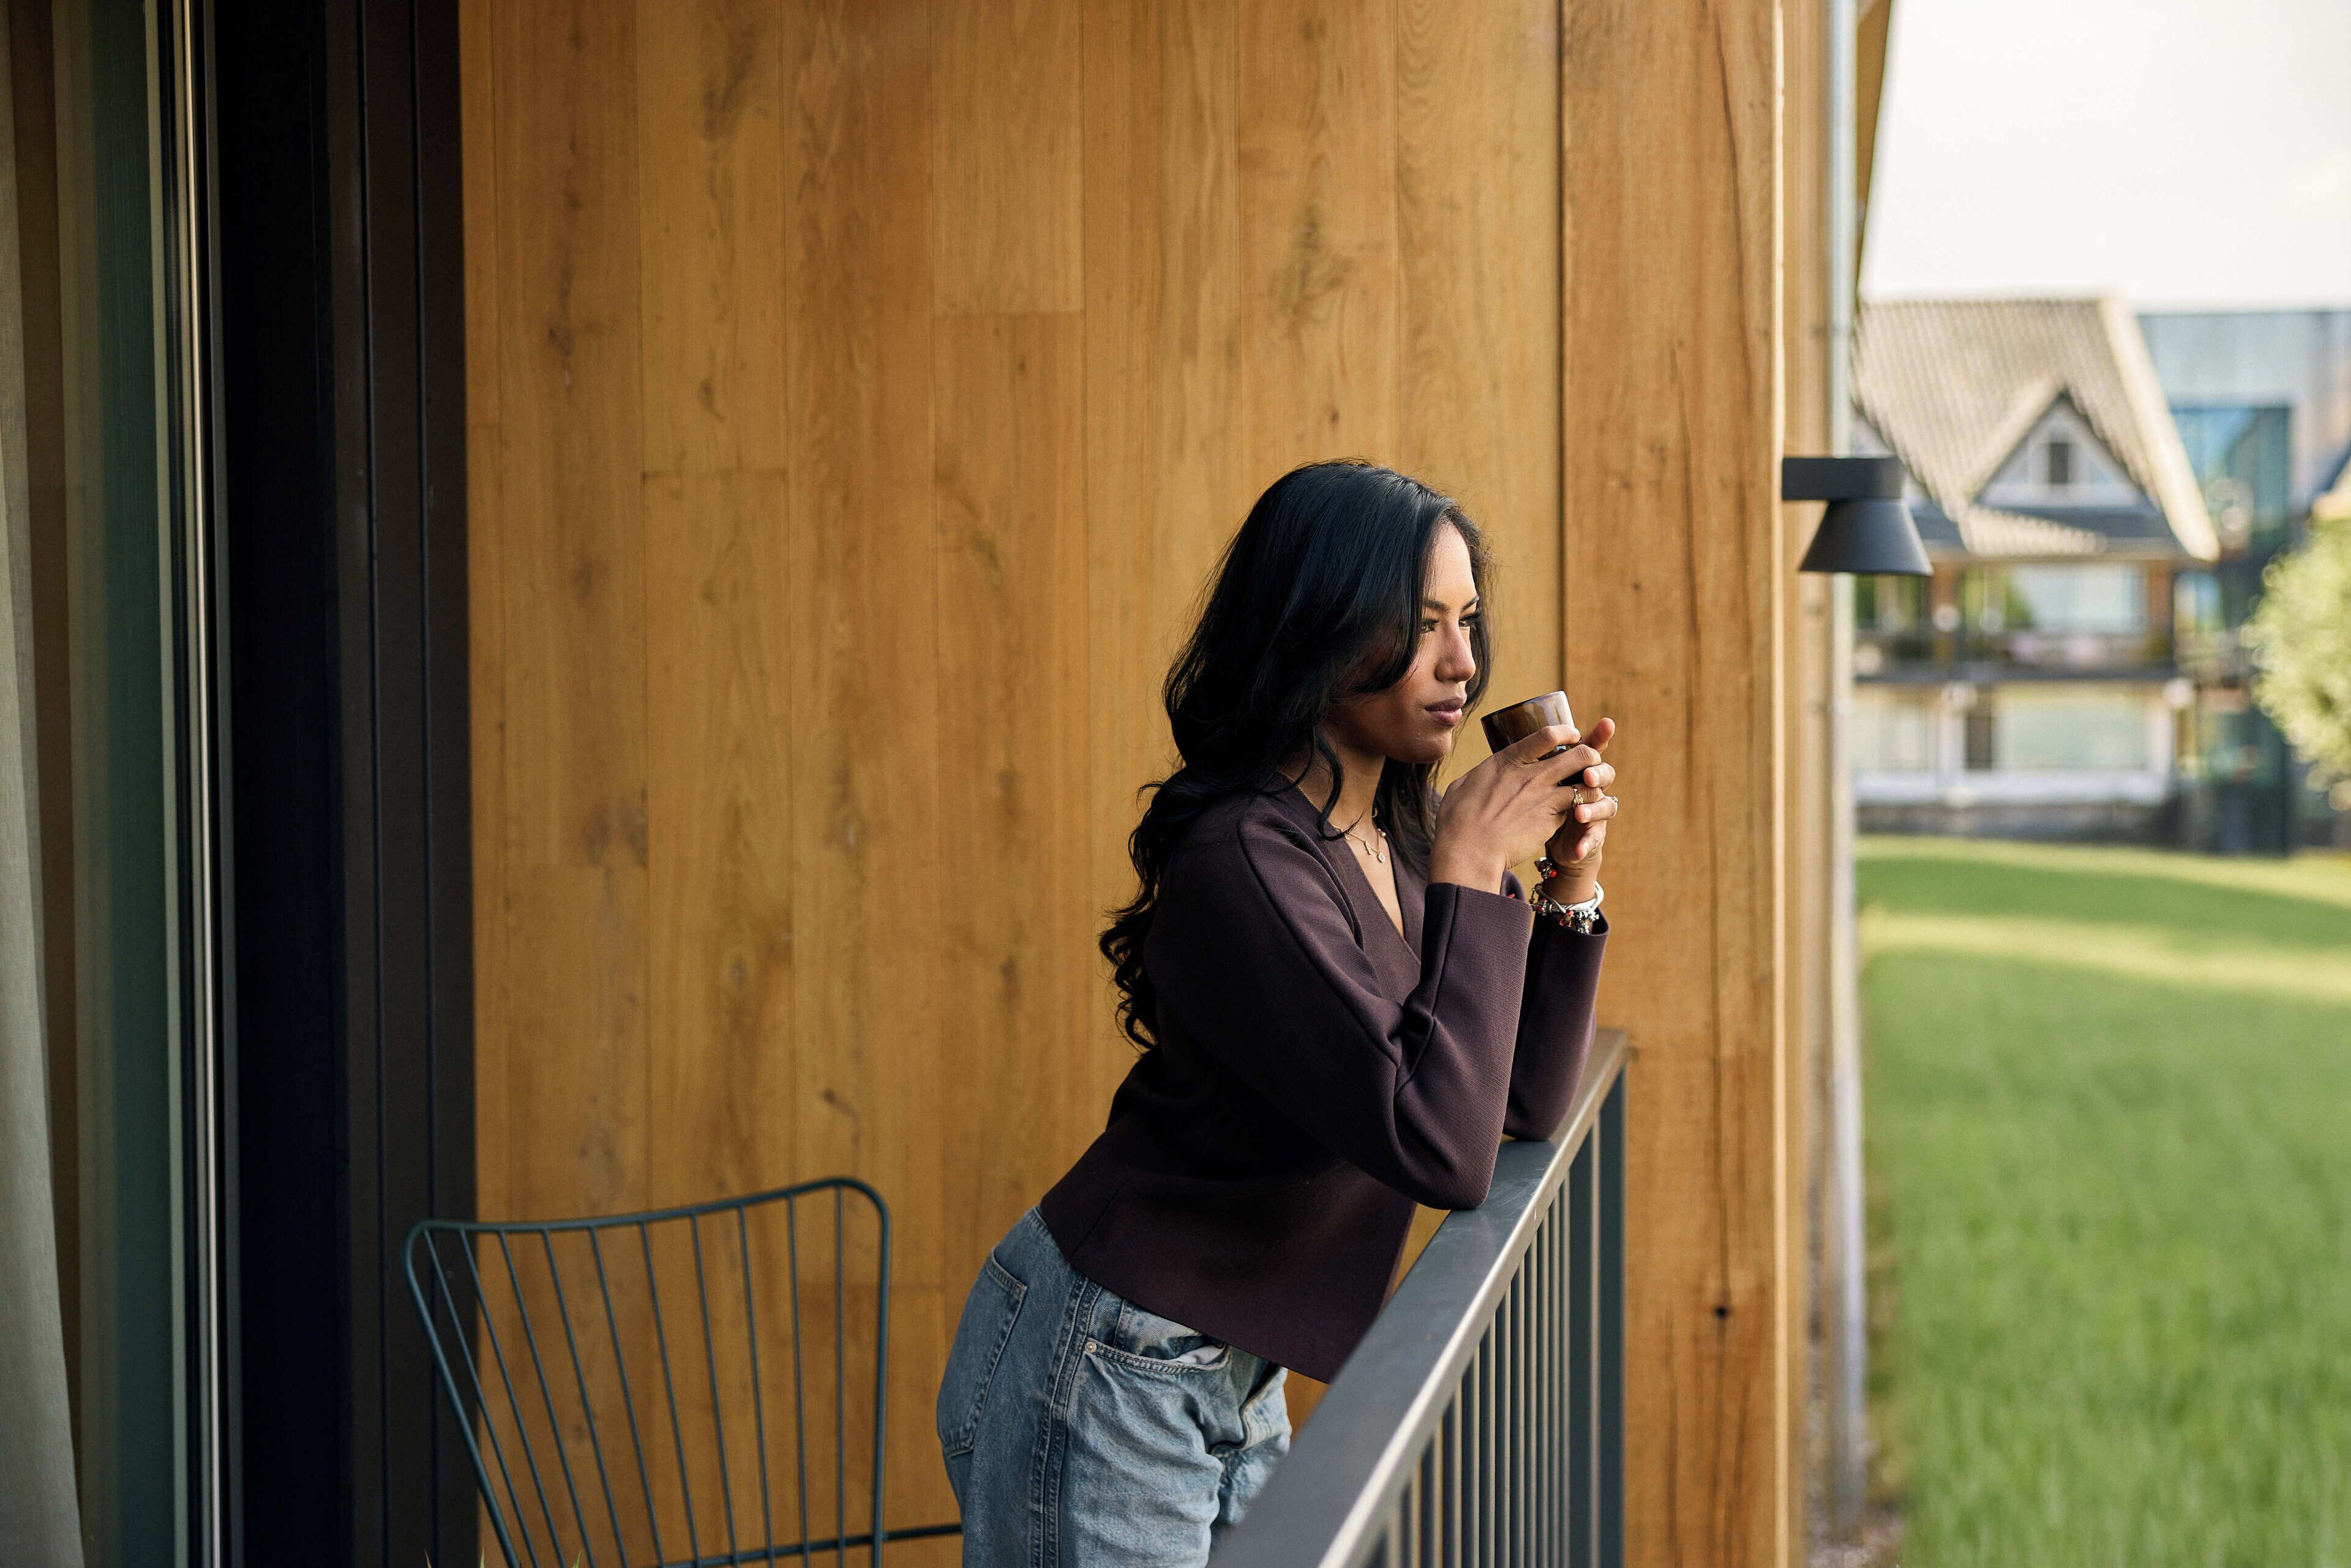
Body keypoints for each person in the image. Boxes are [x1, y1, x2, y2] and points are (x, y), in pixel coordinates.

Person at [934, 460, 1619, 1567]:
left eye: (1470, 621)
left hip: (1232, 1364)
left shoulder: (1397, 836)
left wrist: (1565, 893)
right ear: (1321, 629)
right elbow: (1441, 1152)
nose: (1464, 663)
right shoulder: (1246, 856)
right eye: (1423, 623)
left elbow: (1519, 1103)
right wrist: (1474, 856)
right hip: (1111, 1356)